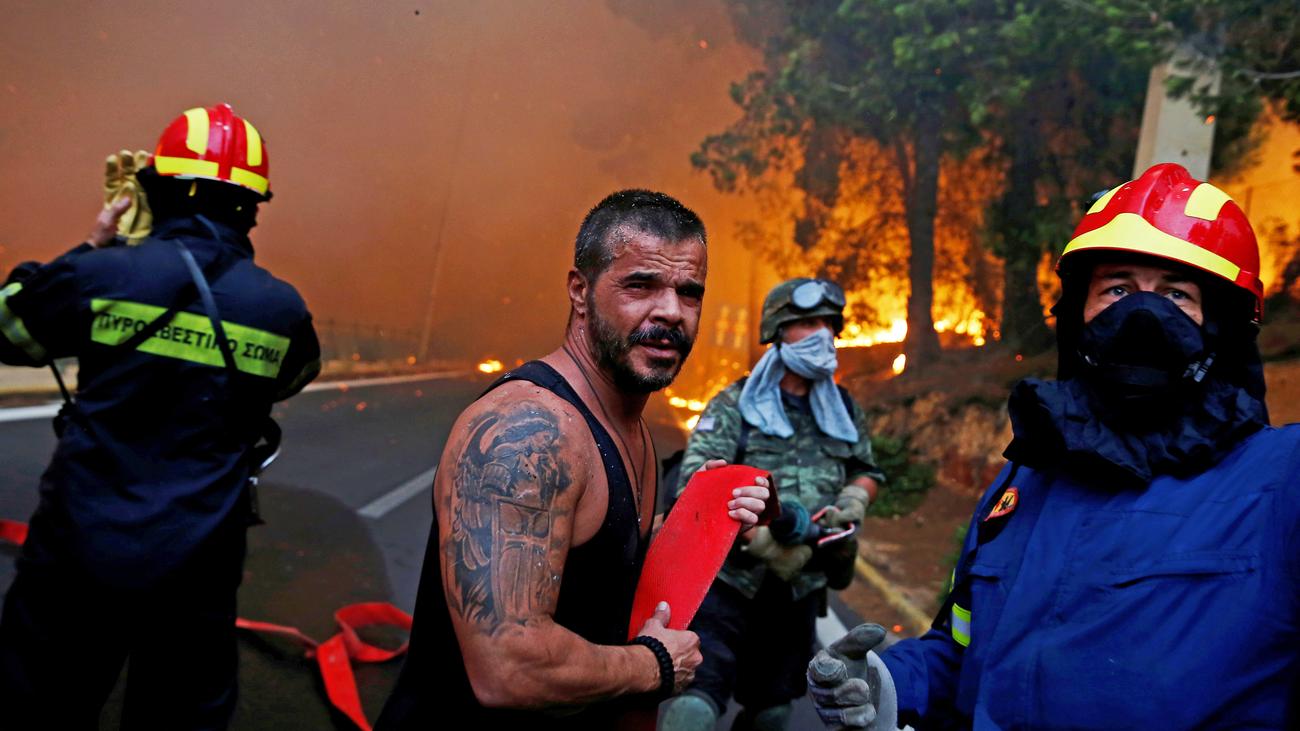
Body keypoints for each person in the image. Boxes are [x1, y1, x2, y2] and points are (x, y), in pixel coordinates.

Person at [807, 163, 1300, 730]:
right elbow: (965, 654)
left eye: (1177, 294)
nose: (1142, 315)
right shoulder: (1019, 488)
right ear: (1077, 319)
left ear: (1224, 330)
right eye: (1117, 288)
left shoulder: (1280, 483)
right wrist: (891, 683)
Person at [376, 189, 771, 729]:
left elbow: (600, 571)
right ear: (580, 291)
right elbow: (508, 665)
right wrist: (655, 664)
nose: (671, 312)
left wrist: (702, 522)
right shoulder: (532, 430)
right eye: (640, 285)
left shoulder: (630, 427)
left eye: (690, 292)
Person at [0, 104, 321, 728]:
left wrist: (98, 243)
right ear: (253, 205)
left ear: (154, 190)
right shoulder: (282, 309)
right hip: (197, 566)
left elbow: (9, 330)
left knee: (38, 705)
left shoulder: (103, 273)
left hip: (78, 550)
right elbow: (293, 377)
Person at [660, 278, 885, 731]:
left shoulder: (842, 408)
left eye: (828, 324)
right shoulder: (736, 405)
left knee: (773, 712)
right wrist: (761, 540)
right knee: (694, 709)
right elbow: (697, 485)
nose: (822, 334)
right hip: (728, 586)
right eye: (807, 323)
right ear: (779, 331)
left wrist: (854, 499)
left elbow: (867, 468)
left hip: (798, 590)